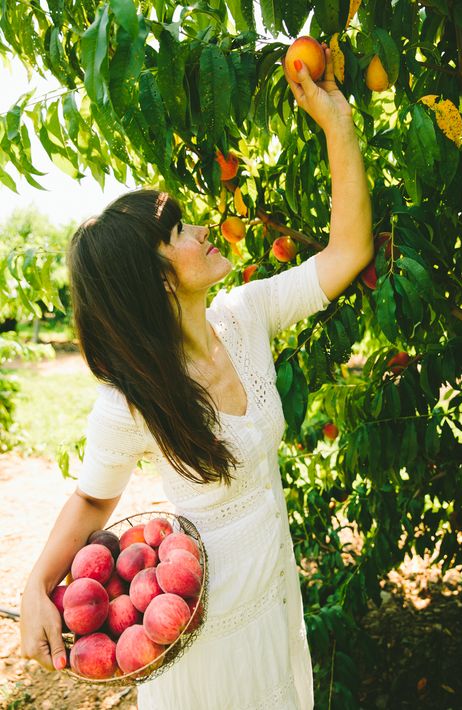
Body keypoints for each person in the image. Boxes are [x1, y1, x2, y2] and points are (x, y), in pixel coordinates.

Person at [20, 45, 373, 709]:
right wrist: (36, 582)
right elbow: (94, 499)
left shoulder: (246, 315)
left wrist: (338, 126)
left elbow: (348, 250)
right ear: (154, 278)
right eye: (181, 229)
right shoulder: (131, 400)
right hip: (197, 629)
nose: (207, 228)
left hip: (269, 598)